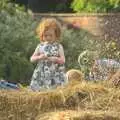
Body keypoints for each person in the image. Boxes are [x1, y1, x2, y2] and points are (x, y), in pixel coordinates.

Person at [30, 18, 67, 91]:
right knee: (41, 91)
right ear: (42, 35)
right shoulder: (40, 46)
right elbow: (32, 59)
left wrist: (55, 59)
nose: (48, 38)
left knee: (55, 91)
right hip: (42, 74)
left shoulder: (58, 46)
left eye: (51, 35)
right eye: (45, 35)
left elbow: (63, 60)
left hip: (55, 73)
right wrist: (39, 57)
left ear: (56, 35)